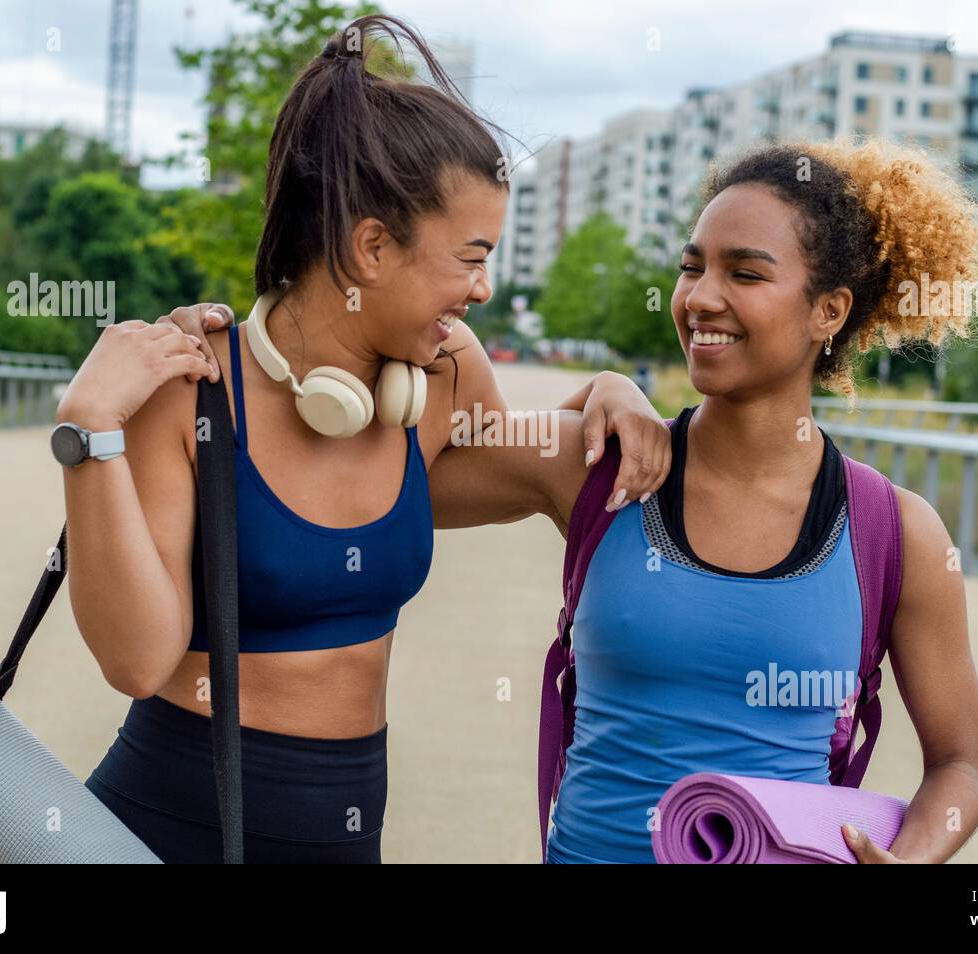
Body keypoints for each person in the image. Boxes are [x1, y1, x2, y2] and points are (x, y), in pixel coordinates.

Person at [54, 14, 670, 864]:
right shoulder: (192, 391)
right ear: (373, 246)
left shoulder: (444, 377)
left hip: (346, 833)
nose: (484, 289)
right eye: (470, 257)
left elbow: (542, 460)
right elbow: (135, 658)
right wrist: (88, 428)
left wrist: (611, 388)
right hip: (168, 828)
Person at [429, 138, 978, 863]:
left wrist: (909, 860)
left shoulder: (895, 532)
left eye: (745, 273)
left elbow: (962, 769)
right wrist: (595, 390)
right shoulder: (600, 466)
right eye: (691, 267)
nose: (700, 297)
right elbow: (411, 475)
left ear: (829, 310)